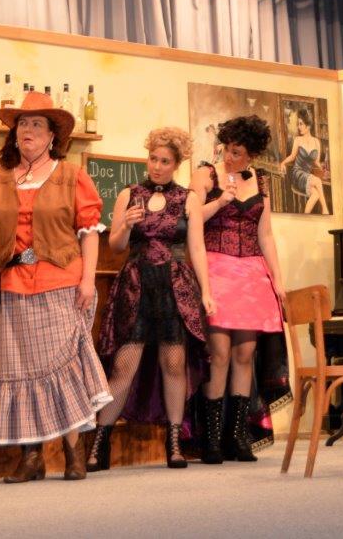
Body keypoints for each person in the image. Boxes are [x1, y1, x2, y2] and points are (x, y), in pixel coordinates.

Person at [0, 91, 113, 483]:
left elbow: (89, 231)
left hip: (61, 281)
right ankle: (31, 458)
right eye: (22, 124)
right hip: (13, 284)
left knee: (65, 368)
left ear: (52, 136)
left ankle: (73, 452)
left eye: (36, 124)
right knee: (19, 369)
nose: (27, 130)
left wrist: (88, 279)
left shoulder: (71, 175)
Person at [88, 127, 214, 471]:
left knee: (173, 364)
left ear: (176, 164)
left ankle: (173, 443)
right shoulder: (129, 194)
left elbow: (197, 248)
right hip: (136, 285)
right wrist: (127, 226)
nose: (157, 166)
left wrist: (206, 291)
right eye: (153, 159)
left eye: (165, 161)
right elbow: (115, 245)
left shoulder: (188, 198)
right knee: (123, 366)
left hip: (174, 286)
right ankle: (100, 443)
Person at [190, 115, 288, 464]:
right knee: (218, 353)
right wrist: (219, 202)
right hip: (216, 269)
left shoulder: (261, 180)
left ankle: (237, 436)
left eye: (239, 153)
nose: (231, 158)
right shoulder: (206, 174)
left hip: (251, 275)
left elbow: (266, 235)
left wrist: (277, 279)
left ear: (252, 155)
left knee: (245, 354)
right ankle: (212, 438)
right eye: (229, 150)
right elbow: (191, 220)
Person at [279, 108, 328, 214]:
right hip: (297, 174)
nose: (299, 127)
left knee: (316, 195)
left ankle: (305, 216)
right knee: (318, 181)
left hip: (307, 176)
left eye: (301, 124)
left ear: (308, 126)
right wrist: (283, 162)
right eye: (298, 124)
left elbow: (316, 162)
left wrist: (323, 168)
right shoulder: (298, 140)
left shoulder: (316, 142)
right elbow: (292, 156)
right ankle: (325, 210)